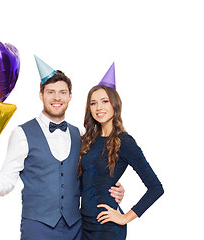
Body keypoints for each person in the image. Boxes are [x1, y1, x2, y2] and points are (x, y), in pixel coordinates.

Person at [0, 56, 125, 240]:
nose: (57, 97)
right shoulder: (22, 134)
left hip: (76, 228)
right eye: (50, 92)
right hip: (37, 229)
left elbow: (92, 177)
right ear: (41, 95)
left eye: (62, 92)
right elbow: (6, 181)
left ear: (70, 96)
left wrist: (114, 189)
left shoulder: (80, 134)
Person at [78, 63, 164, 240]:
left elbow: (156, 188)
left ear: (114, 104)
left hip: (107, 227)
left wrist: (125, 217)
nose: (98, 107)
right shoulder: (87, 140)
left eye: (104, 101)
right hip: (83, 224)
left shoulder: (124, 141)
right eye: (93, 103)